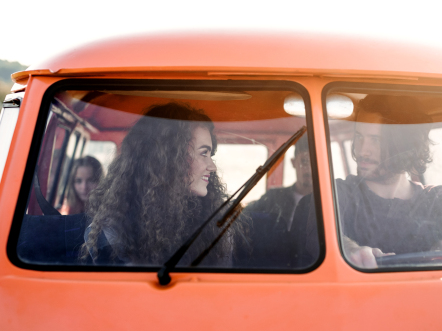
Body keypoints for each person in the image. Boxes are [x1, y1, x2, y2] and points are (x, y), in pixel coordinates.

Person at [299, 94, 442, 269]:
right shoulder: (337, 193)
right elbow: (318, 233)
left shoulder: (437, 199)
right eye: (359, 137)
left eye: (376, 140)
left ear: (403, 147)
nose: (362, 150)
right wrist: (348, 249)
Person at [82, 102, 247, 266]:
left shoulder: (215, 222)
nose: (212, 166)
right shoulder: (113, 230)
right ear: (168, 159)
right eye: (203, 153)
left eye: (210, 154)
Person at [242, 135, 313, 268]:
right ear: (293, 162)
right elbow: (244, 215)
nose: (309, 168)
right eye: (304, 161)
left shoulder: (331, 203)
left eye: (314, 163)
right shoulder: (273, 197)